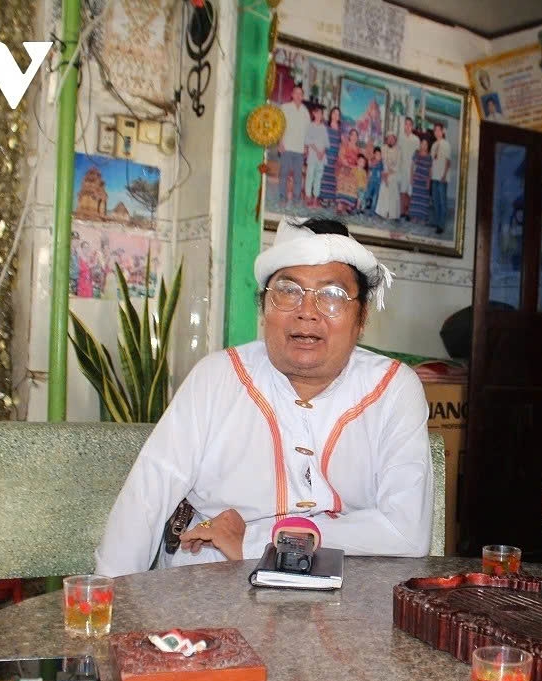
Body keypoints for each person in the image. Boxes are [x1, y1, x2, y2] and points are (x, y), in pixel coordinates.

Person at [94, 217, 433, 576]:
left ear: (361, 316)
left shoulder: (394, 389)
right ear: (264, 308)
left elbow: (407, 533)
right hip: (215, 581)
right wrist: (107, 598)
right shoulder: (217, 378)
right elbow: (147, 498)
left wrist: (256, 539)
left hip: (344, 588)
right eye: (288, 291)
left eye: (332, 295)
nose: (307, 312)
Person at [276, 84, 310, 205]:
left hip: (299, 149)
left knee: (298, 176)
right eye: (296, 93)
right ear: (292, 94)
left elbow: (307, 132)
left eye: (300, 94)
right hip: (286, 146)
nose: (298, 96)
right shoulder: (284, 107)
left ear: (303, 96)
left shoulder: (305, 112)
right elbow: (279, 126)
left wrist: (306, 146)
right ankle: (282, 197)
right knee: (284, 173)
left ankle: (296, 198)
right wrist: (280, 142)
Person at [303, 104, 329, 207]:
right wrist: (317, 151)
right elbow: (308, 140)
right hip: (313, 155)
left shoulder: (323, 128)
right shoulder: (310, 126)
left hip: (321, 157)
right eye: (317, 113)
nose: (319, 115)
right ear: (314, 114)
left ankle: (315, 198)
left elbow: (326, 143)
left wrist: (322, 152)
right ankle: (308, 196)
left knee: (318, 177)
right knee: (310, 176)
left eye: (321, 114)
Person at [429, 122, 452, 234]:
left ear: (442, 131)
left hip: (442, 178)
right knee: (435, 201)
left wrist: (444, 175)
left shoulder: (446, 144)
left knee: (442, 202)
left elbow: (448, 161)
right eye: (435, 130)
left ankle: (441, 225)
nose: (437, 132)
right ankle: (436, 221)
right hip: (434, 177)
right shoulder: (433, 145)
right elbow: (432, 161)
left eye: (439, 130)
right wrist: (430, 174)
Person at [318, 106, 342, 206]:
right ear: (331, 114)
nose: (336, 115)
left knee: (332, 177)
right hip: (326, 153)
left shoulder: (340, 130)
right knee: (324, 175)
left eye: (338, 114)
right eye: (334, 113)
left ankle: (330, 198)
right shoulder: (325, 126)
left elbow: (341, 144)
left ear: (339, 117)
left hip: (335, 156)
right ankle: (323, 197)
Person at [396, 116, 419, 219]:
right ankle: (402, 211)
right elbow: (398, 153)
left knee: (410, 191)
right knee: (402, 190)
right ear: (404, 126)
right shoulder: (400, 138)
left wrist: (415, 170)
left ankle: (408, 211)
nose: (408, 126)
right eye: (406, 124)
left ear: (412, 126)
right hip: (402, 168)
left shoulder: (416, 139)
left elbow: (417, 155)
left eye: (410, 124)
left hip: (412, 168)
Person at [376, 133, 401, 220]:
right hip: (384, 173)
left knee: (392, 190)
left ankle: (392, 214)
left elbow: (397, 165)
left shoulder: (398, 150)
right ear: (386, 140)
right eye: (389, 138)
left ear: (395, 140)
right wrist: (384, 174)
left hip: (393, 174)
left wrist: (388, 173)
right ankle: (382, 212)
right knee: (384, 190)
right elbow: (381, 162)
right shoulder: (383, 148)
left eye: (392, 139)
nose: (390, 140)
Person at [409, 136, 432, 223]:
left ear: (428, 146)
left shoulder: (429, 157)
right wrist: (411, 178)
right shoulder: (416, 153)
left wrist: (428, 182)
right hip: (416, 180)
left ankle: (423, 217)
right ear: (420, 144)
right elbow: (412, 166)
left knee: (423, 200)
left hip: (424, 181)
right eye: (422, 143)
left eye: (426, 144)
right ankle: (415, 217)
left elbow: (430, 170)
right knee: (415, 199)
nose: (424, 146)